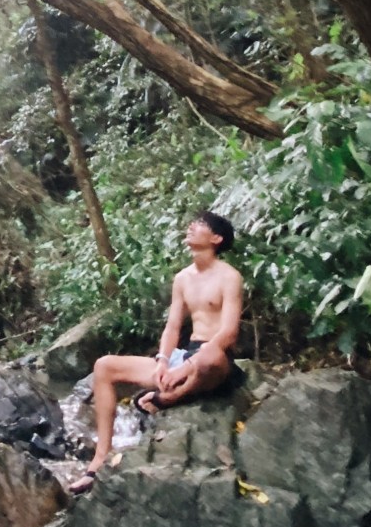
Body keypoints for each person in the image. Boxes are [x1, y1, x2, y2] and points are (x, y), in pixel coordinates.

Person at [70, 209, 242, 493]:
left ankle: (170, 397)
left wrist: (186, 369)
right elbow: (173, 327)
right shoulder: (183, 279)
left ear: (216, 238)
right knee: (104, 366)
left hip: (214, 359)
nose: (190, 226)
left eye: (199, 225)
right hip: (184, 356)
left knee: (208, 358)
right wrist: (163, 361)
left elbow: (229, 333)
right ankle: (98, 460)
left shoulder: (229, 277)